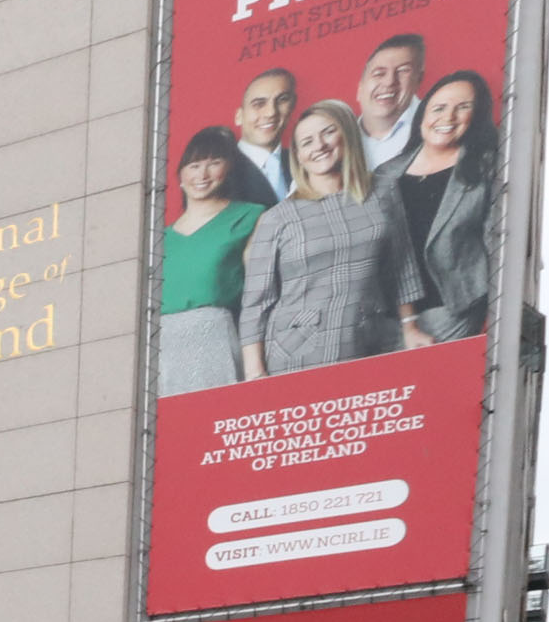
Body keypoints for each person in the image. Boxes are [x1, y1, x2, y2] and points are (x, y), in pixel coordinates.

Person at [240, 102, 432, 377]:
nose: (319, 145)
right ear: (299, 156)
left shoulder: (383, 191)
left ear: (346, 136)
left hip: (367, 339)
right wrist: (255, 373)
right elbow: (255, 303)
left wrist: (410, 326)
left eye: (328, 132)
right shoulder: (277, 219)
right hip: (295, 352)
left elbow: (401, 267)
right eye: (306, 142)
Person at [157, 127, 278, 395]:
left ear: (228, 169)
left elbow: (261, 295)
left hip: (213, 336)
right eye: (194, 165)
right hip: (162, 344)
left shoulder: (251, 216)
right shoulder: (160, 238)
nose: (202, 174)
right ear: (180, 175)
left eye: (214, 164)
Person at [382, 71, 503, 342]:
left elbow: (496, 243)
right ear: (423, 114)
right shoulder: (385, 174)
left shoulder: (486, 168)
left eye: (463, 107)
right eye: (439, 108)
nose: (448, 118)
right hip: (389, 316)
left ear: (476, 115)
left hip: (453, 308)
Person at [354, 32, 428, 168]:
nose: (389, 82)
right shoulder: (339, 139)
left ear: (419, 79)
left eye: (403, 71)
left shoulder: (435, 129)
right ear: (360, 87)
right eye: (379, 73)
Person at [232, 68, 298, 198]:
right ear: (239, 116)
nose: (271, 112)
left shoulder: (305, 162)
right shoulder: (221, 169)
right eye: (259, 104)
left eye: (282, 100)